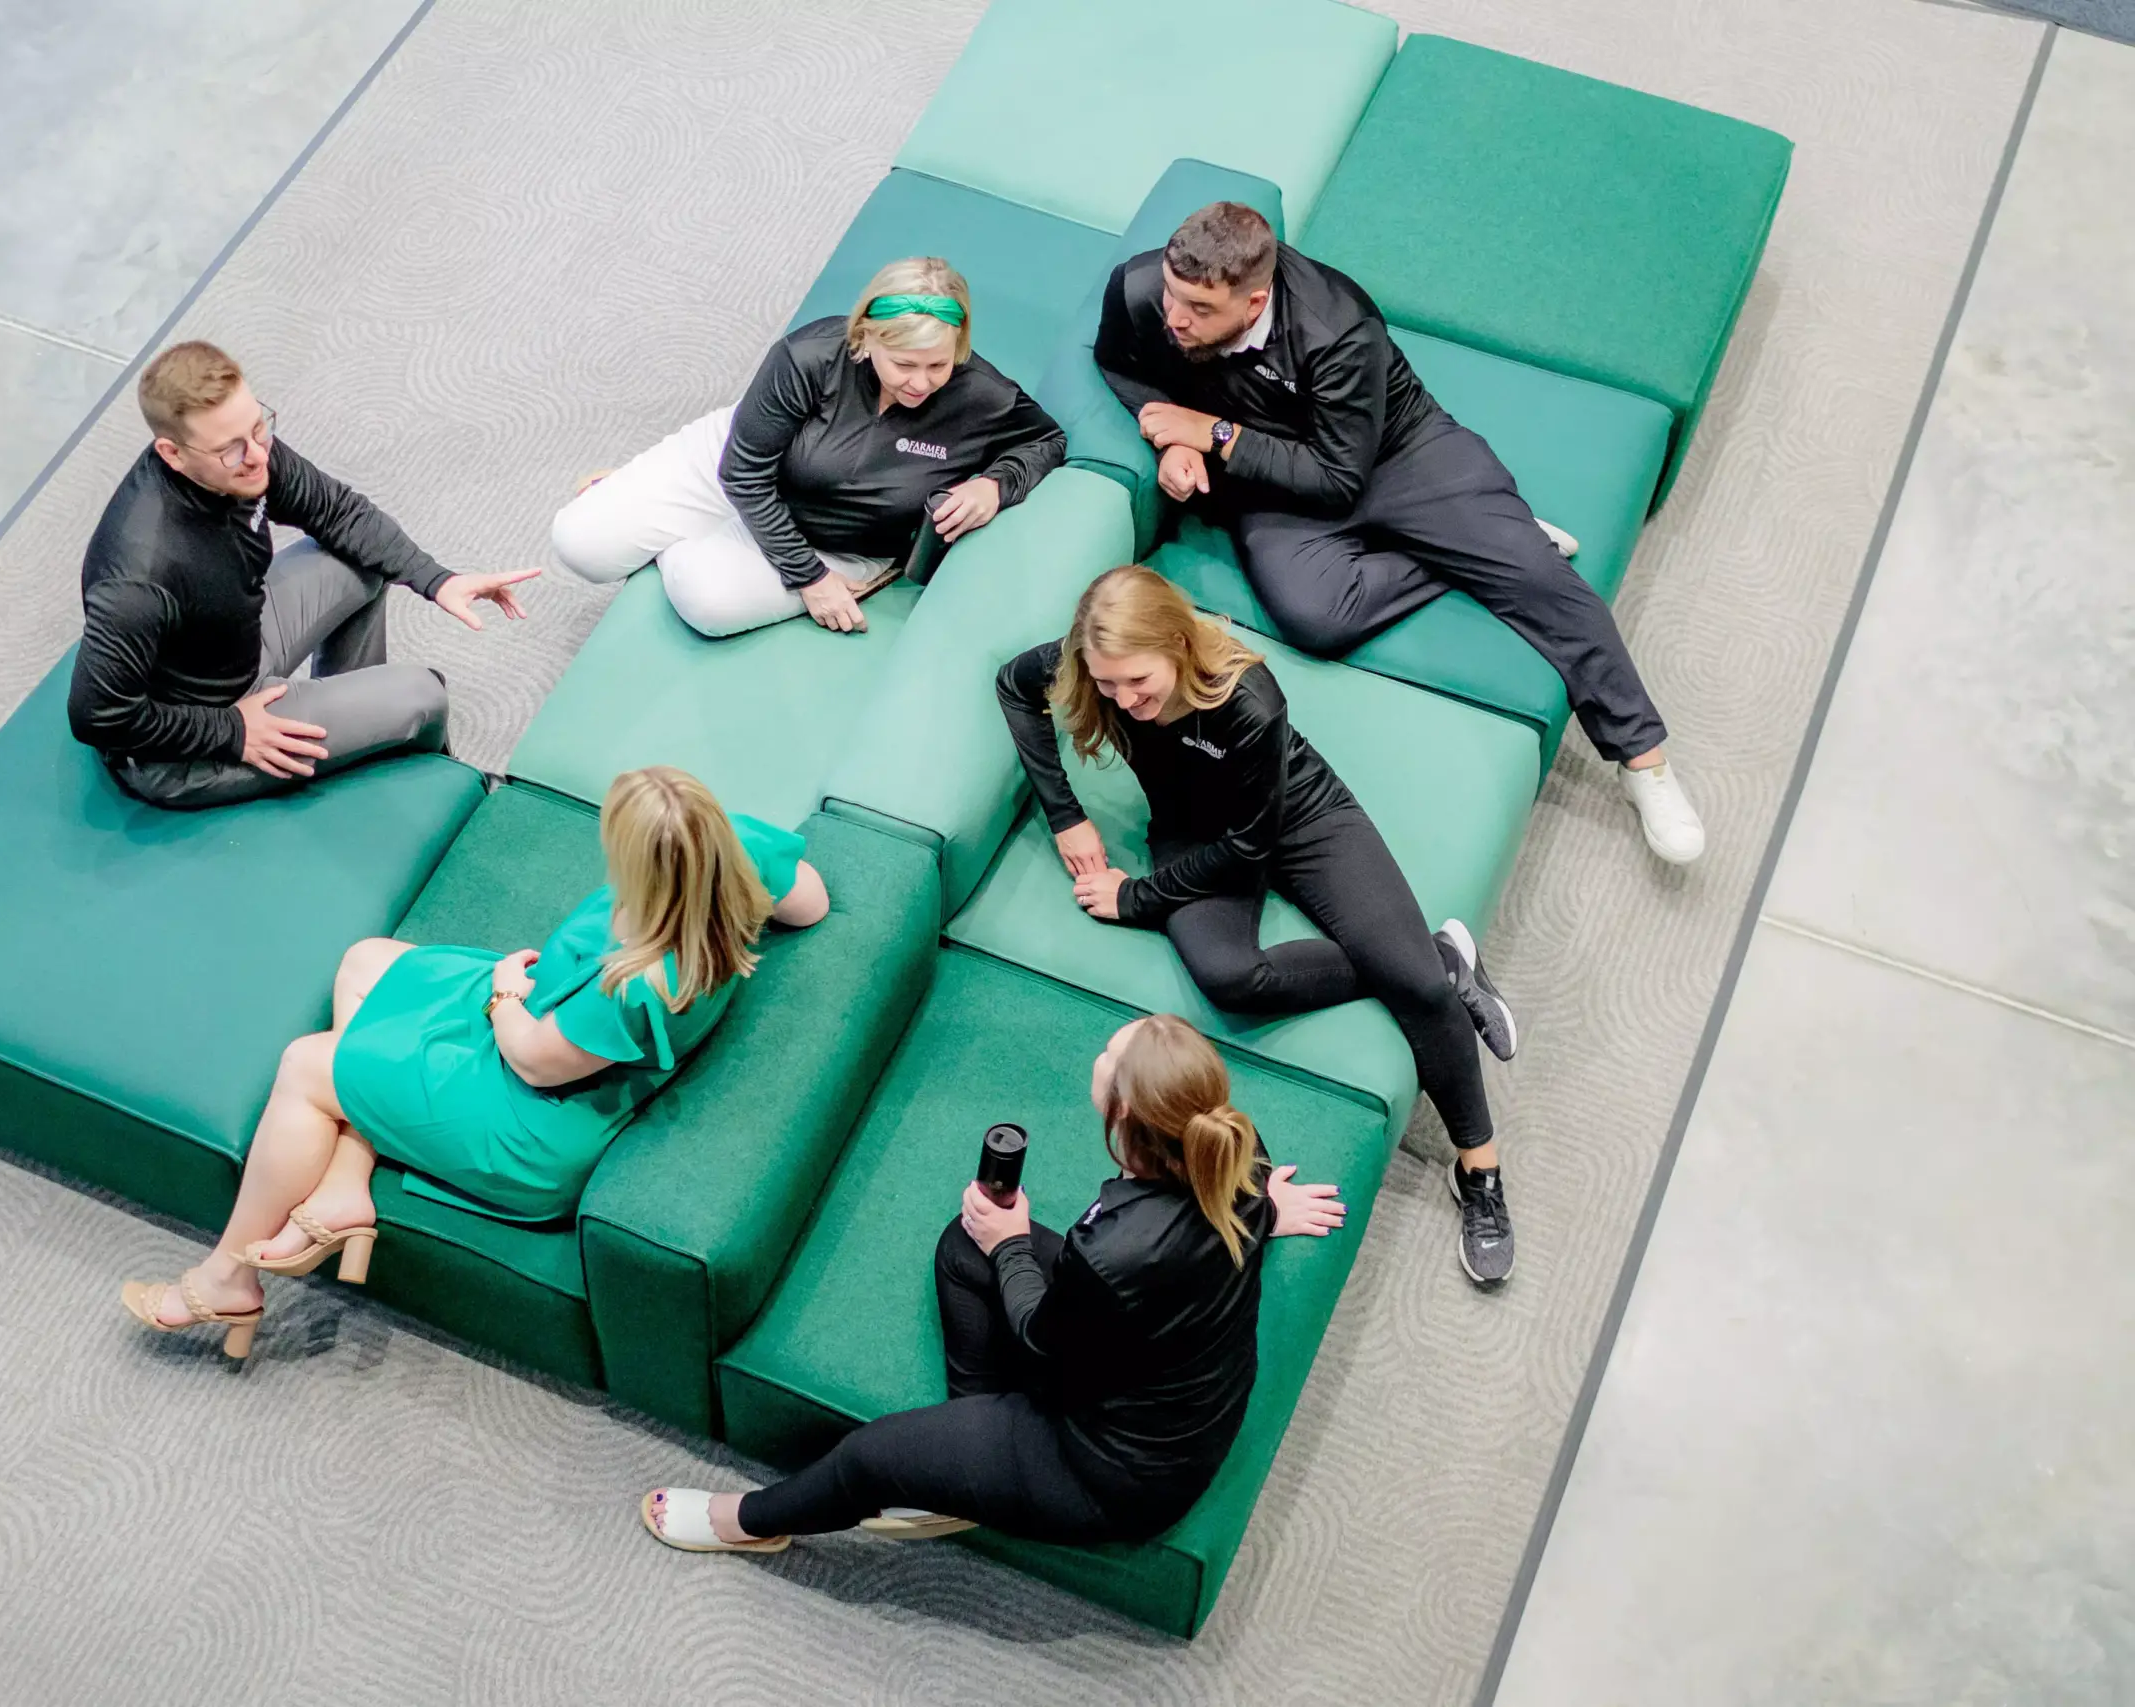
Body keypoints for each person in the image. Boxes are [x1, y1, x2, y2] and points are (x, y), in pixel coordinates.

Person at [120, 766, 828, 1358]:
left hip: (529, 1118)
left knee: (307, 1067)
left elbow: (533, 1063)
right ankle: (344, 1181)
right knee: (365, 962)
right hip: (544, 1020)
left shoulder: (634, 981)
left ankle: (225, 1281)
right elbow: (812, 902)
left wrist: (502, 998)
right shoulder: (730, 856)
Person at [1093, 202, 1706, 866]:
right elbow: (1122, 366)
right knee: (1315, 615)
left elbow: (1337, 478)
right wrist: (1165, 441)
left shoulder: (1338, 327)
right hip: (1266, 481)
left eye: (1198, 310)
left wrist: (1213, 433)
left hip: (1393, 455)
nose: (1175, 319)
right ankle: (1467, 552)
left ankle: (1642, 760)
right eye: (1171, 295)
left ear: (1254, 302)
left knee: (1536, 578)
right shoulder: (1140, 291)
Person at [641, 1013, 1347, 1554]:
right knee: (961, 1246)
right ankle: (969, 1454)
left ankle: (746, 1522)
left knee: (870, 1454)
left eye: (1111, 1054)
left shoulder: (1111, 1252)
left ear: (1124, 1112)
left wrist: (1012, 1242)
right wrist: (1266, 1212)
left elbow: (1042, 1342)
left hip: (1118, 1472)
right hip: (1147, 1382)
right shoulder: (1241, 1157)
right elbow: (1215, 1226)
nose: (1101, 1053)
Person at [997, 566, 1523, 1283]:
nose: (1122, 700)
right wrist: (1064, 811)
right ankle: (1434, 954)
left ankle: (1480, 1169)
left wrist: (1138, 898)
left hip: (1300, 817)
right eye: (1108, 683)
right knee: (1231, 976)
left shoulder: (1249, 695)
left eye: (1137, 682)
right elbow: (1013, 685)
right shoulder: (1093, 665)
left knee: (1422, 997)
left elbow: (1250, 842)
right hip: (1190, 834)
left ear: (1178, 644)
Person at [68, 339, 540, 810]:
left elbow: (338, 513)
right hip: (189, 748)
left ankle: (358, 726)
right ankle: (412, 784)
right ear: (172, 454)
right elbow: (100, 718)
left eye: (259, 428)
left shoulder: (243, 459)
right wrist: (231, 731)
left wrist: (437, 579)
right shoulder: (138, 578)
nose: (257, 455)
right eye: (231, 449)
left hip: (235, 648)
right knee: (424, 696)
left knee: (361, 557)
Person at [550, 257, 1066, 638]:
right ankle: (659, 514)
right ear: (866, 338)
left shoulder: (982, 392)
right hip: (733, 471)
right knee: (579, 541)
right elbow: (743, 471)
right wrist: (809, 580)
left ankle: (666, 531)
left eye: (939, 364)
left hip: (843, 538)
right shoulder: (810, 355)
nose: (921, 382)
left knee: (703, 599)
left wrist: (995, 483)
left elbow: (1047, 439)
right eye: (904, 365)